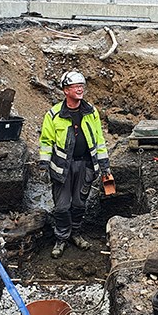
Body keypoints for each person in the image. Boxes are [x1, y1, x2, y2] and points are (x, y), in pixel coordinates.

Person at [39, 71, 111, 259]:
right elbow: (46, 141)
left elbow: (99, 139)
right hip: (62, 167)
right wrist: (43, 164)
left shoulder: (91, 112)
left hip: (85, 165)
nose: (80, 89)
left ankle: (76, 234)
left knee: (79, 204)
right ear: (65, 91)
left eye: (82, 86)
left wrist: (104, 166)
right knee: (62, 207)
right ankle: (61, 238)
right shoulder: (54, 115)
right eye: (75, 86)